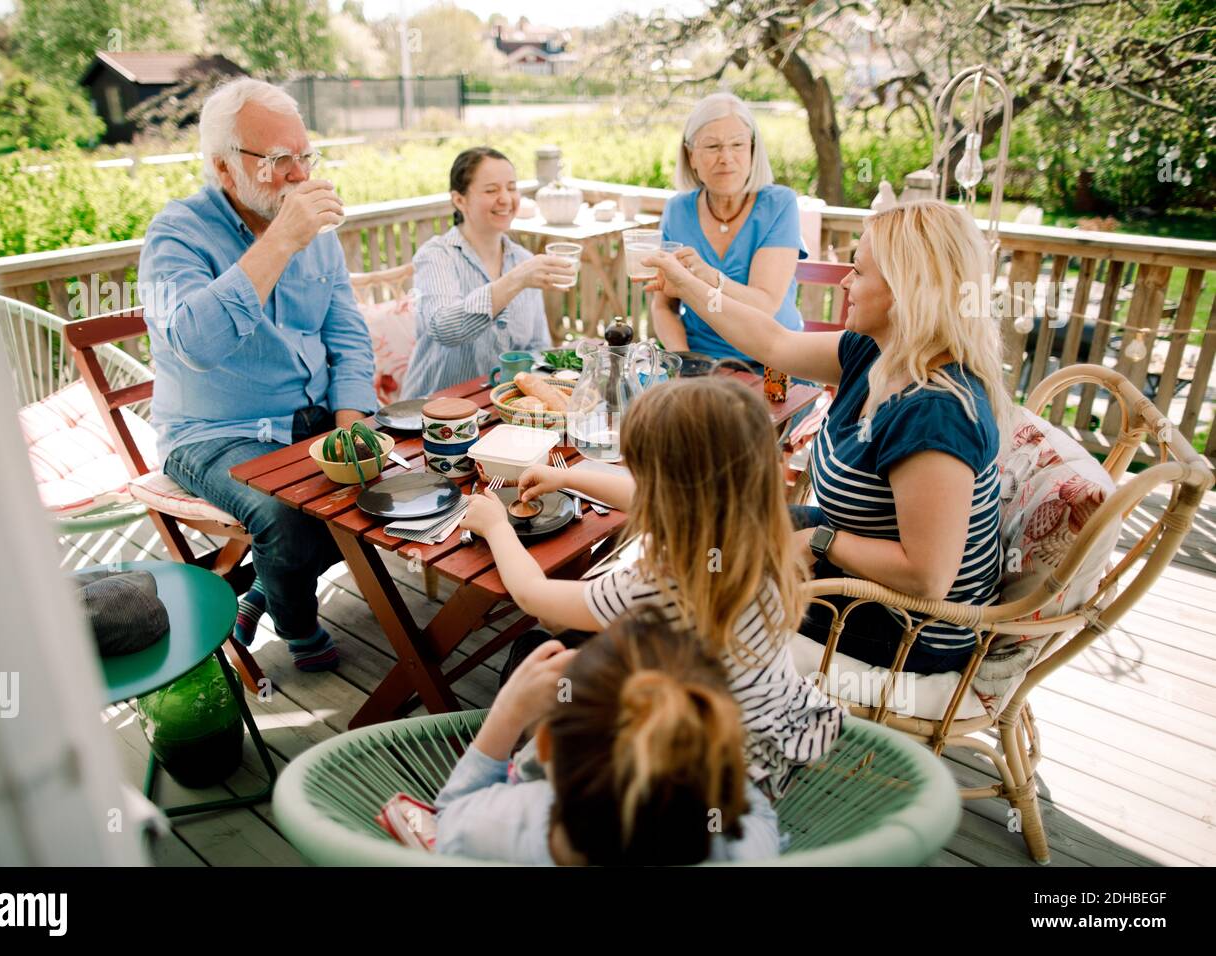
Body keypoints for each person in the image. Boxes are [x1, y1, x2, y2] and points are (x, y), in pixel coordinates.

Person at [643, 200, 1012, 674]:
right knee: (706, 525)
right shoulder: (880, 351)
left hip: (902, 627)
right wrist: (690, 287)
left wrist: (823, 541)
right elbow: (773, 342)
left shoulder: (935, 412)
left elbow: (928, 577)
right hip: (855, 556)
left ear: (906, 291)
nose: (843, 282)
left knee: (693, 599)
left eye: (857, 272)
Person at [460, 376, 843, 796]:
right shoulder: (756, 540)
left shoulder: (665, 579)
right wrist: (566, 478)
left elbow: (536, 599)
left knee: (535, 650)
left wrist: (496, 526)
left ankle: (512, 792)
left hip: (690, 781)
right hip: (757, 752)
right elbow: (657, 498)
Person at [140, 77, 377, 672]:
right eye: (277, 160)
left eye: (304, 157)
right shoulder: (175, 237)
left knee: (384, 482)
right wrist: (281, 241)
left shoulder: (315, 234)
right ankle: (297, 628)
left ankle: (261, 593)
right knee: (284, 514)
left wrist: (351, 425)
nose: (299, 176)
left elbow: (345, 333)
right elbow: (196, 342)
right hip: (213, 431)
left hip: (309, 421)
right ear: (224, 168)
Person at [433, 609, 782, 865]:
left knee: (531, 642)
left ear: (546, 745)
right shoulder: (741, 849)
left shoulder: (502, 826)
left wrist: (508, 713)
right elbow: (759, 812)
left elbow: (447, 821)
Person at [651, 92, 808, 368]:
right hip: (702, 362)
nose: (726, 158)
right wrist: (685, 363)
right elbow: (664, 306)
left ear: (752, 151)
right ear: (691, 156)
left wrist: (708, 276)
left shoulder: (779, 204)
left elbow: (765, 305)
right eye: (712, 147)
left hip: (773, 364)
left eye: (737, 144)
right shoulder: (677, 210)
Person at [400, 147, 571, 398]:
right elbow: (446, 329)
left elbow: (537, 348)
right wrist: (516, 280)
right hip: (433, 416)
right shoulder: (436, 256)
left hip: (502, 408)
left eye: (511, 187)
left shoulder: (523, 260)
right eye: (491, 190)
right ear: (460, 200)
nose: (505, 199)